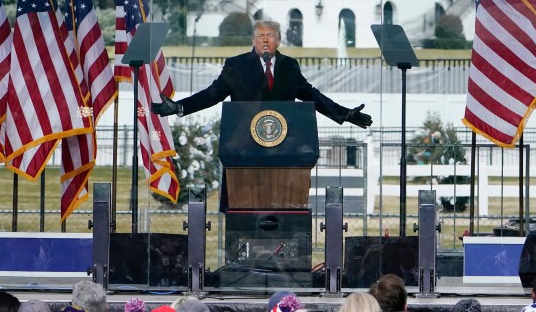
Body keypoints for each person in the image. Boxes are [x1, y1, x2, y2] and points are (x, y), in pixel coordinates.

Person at [153, 20, 373, 210]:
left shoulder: (289, 65)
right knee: (244, 212)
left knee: (282, 208)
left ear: (279, 41)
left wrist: (345, 114)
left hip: (283, 153)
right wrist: (179, 107)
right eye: (260, 37)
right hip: (244, 151)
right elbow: (212, 94)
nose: (265, 41)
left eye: (270, 36)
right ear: (253, 40)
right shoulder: (236, 65)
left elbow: (310, 94)